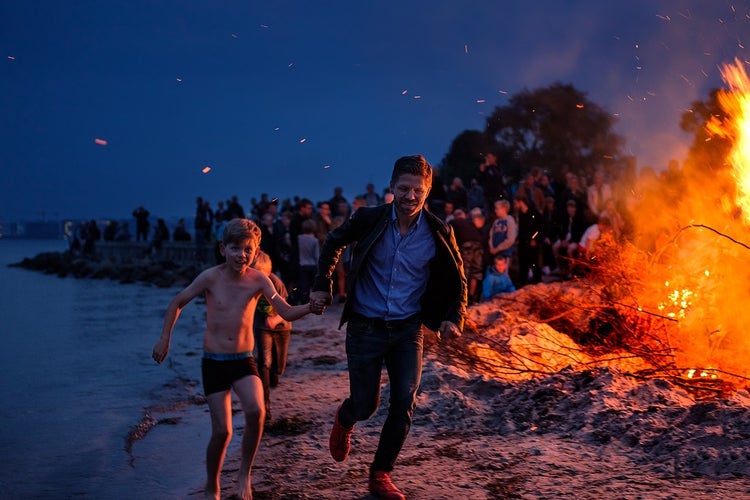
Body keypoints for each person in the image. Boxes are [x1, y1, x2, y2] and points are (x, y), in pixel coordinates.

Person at [310, 154, 467, 500]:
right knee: (366, 405)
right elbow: (333, 242)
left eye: (419, 190)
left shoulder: (440, 231)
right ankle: (346, 416)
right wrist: (323, 284)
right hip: (365, 327)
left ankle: (380, 474)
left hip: (408, 330)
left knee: (403, 402)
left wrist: (453, 317)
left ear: (428, 191)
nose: (411, 196)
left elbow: (459, 281)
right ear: (392, 187)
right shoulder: (369, 219)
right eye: (404, 188)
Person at [152, 218, 321, 500]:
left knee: (256, 411)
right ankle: (212, 486)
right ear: (223, 249)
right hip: (214, 362)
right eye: (235, 248)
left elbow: (286, 311)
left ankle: (244, 475)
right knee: (222, 432)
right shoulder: (210, 277)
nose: (242, 255)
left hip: (243, 359)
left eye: (248, 250)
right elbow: (177, 302)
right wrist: (164, 338)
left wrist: (310, 308)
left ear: (256, 251)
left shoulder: (259, 279)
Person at [252, 251, 292, 421]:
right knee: (263, 362)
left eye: (261, 275)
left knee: (278, 367)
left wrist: (275, 319)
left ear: (268, 272)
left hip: (281, 328)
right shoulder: (250, 283)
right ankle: (265, 405)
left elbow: (287, 308)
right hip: (261, 327)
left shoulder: (276, 283)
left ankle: (274, 376)